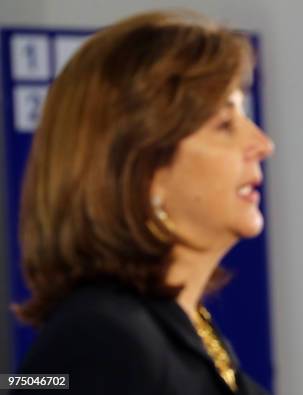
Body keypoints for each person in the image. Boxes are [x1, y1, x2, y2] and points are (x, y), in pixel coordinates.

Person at [12, 9, 273, 395]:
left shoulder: (190, 334)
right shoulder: (100, 343)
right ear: (141, 167)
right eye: (223, 124)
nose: (263, 145)